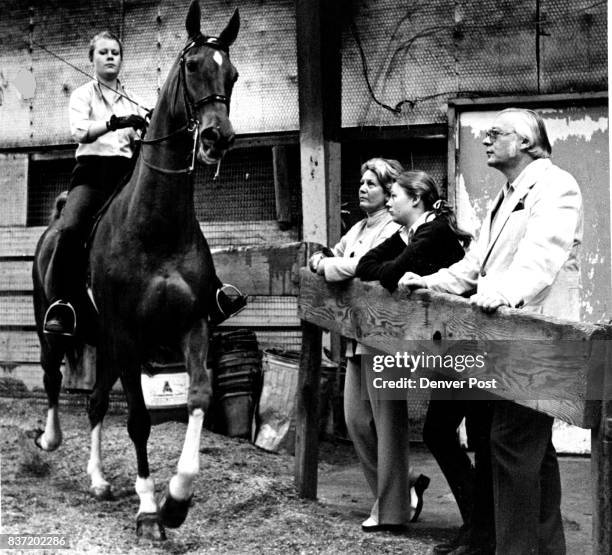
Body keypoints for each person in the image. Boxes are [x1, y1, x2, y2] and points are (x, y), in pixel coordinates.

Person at [400, 108, 583, 554]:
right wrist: (431, 281)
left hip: (540, 337)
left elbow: (543, 257)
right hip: (509, 335)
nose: (485, 139)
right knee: (531, 452)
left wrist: (501, 292)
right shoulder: (505, 195)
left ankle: (515, 549)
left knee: (510, 444)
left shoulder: (556, 186)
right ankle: (543, 548)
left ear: (523, 141)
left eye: (495, 133)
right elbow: (473, 263)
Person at [43, 30, 244, 335]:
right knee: (70, 228)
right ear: (92, 59)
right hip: (92, 177)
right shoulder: (82, 95)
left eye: (115, 53)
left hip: (128, 177)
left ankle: (213, 293)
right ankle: (62, 305)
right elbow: (80, 132)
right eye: (103, 52)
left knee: (180, 219)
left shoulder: (133, 100)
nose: (110, 57)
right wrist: (115, 122)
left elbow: (151, 142)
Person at [355, 171, 489, 547]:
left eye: (394, 194)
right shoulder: (409, 234)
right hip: (449, 349)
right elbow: (368, 266)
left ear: (415, 199)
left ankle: (480, 531)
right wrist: (391, 267)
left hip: (470, 348)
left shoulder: (434, 233)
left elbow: (388, 274)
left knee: (464, 435)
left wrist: (392, 272)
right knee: (443, 432)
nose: (389, 201)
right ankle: (477, 528)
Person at [309, 158, 430, 532]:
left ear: (391, 191)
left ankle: (391, 509)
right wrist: (328, 262)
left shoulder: (394, 229)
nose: (363, 189)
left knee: (387, 424)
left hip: (386, 336)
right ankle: (402, 485)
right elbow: (334, 257)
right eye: (361, 183)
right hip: (355, 334)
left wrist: (332, 265)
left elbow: (359, 267)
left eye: (372, 184)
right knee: (356, 422)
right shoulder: (359, 227)